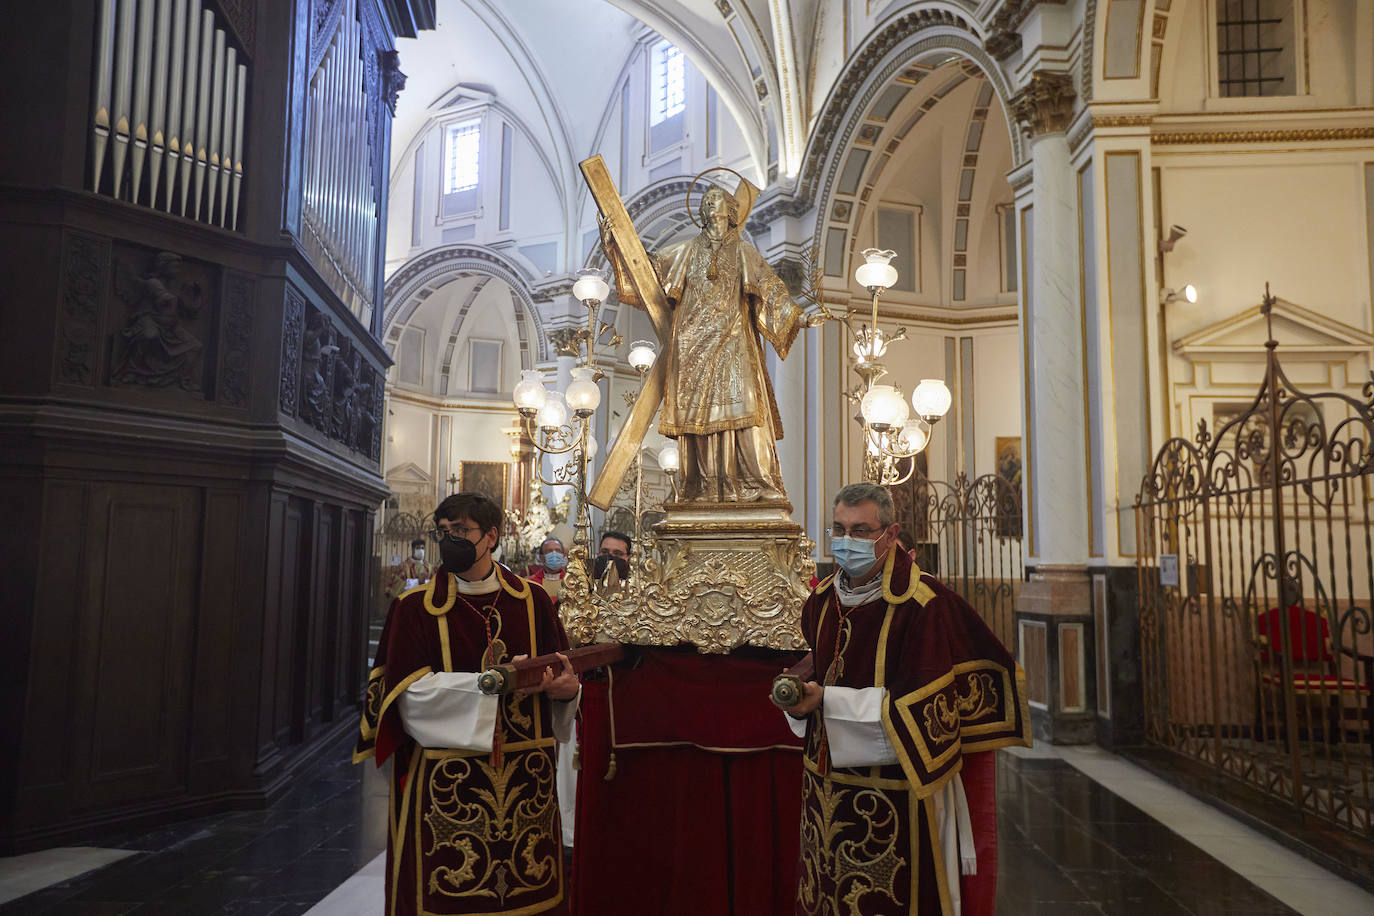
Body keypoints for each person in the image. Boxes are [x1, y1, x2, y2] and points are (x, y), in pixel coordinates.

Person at [780, 482, 1030, 916]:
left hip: (894, 793)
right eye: (838, 529)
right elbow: (817, 671)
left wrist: (828, 702)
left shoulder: (924, 604)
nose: (846, 542)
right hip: (822, 788)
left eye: (860, 531)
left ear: (891, 535)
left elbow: (928, 704)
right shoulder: (820, 601)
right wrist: (799, 699)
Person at [355, 492, 580, 916]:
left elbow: (564, 675)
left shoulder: (533, 603)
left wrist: (568, 692)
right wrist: (493, 685)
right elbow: (407, 696)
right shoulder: (414, 608)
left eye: (461, 531)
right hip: (446, 782)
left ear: (491, 536)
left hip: (525, 779)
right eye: (444, 532)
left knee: (527, 890)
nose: (450, 539)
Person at [604, 185, 820, 503]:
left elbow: (770, 290)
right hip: (692, 349)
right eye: (705, 200)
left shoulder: (744, 252)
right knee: (697, 421)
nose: (709, 203)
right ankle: (701, 488)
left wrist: (798, 317)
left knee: (748, 409)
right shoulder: (686, 251)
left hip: (734, 345)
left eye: (715, 199)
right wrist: (615, 249)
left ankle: (755, 485)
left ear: (730, 211)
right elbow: (645, 273)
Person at [527, 536, 568, 602]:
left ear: (563, 555)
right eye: (549, 551)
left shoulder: (570, 581)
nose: (554, 554)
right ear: (541, 557)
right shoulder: (531, 583)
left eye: (558, 550)